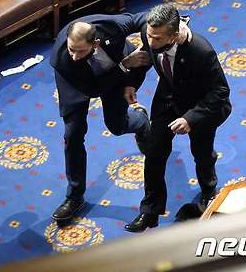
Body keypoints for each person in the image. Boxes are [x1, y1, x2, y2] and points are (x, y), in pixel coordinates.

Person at [49, 13, 191, 225]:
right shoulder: (64, 59)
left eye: (80, 50)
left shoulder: (109, 28)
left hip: (113, 70)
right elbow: (93, 89)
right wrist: (125, 65)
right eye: (72, 49)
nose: (75, 55)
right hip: (77, 84)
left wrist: (176, 26)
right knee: (73, 134)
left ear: (95, 42)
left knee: (117, 125)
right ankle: (74, 196)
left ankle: (141, 122)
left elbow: (141, 19)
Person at [123, 3, 231, 233]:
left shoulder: (201, 51)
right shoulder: (151, 32)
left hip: (200, 106)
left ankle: (209, 191)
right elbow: (146, 56)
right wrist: (132, 82)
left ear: (174, 35)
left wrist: (191, 118)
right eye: (149, 36)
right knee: (154, 152)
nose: (151, 41)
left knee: (202, 153)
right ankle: (149, 212)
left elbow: (220, 92)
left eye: (158, 38)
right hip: (168, 99)